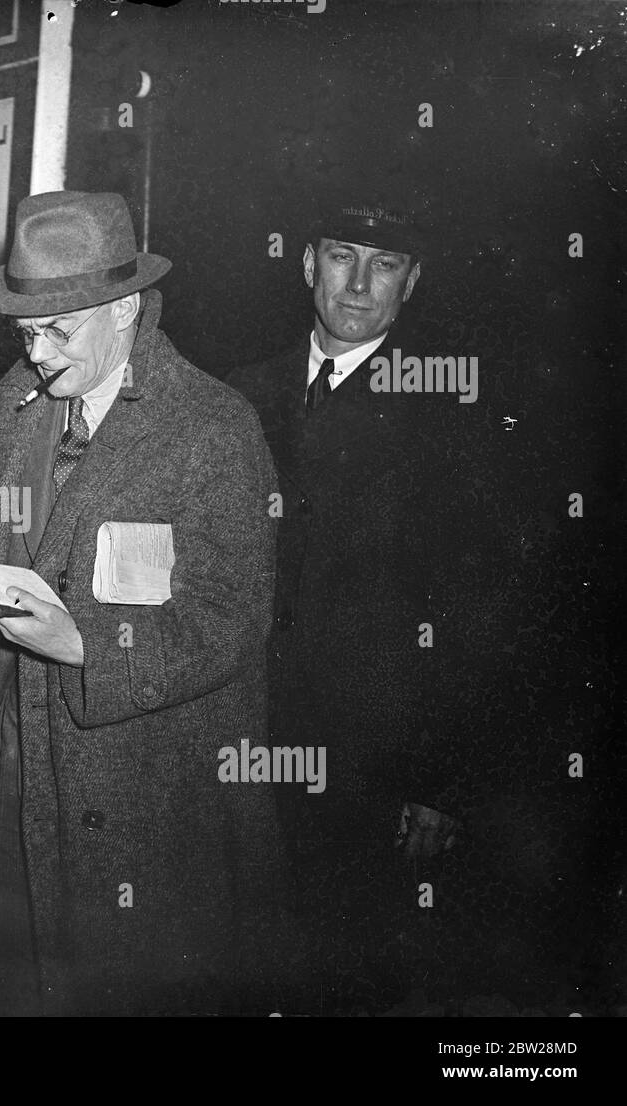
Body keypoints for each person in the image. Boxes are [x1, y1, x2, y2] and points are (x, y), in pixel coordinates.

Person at [0, 190, 284, 1016]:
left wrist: (87, 644)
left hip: (125, 791)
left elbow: (229, 620)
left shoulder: (212, 428)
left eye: (58, 330)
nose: (36, 355)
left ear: (126, 308)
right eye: (24, 331)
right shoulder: (16, 403)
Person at [225, 197, 487, 1011]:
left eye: (385, 264)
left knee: (344, 978)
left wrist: (440, 776)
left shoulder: (450, 410)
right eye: (342, 255)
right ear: (309, 265)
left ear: (412, 283)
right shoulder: (237, 397)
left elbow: (473, 608)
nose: (359, 282)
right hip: (237, 743)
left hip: (369, 763)